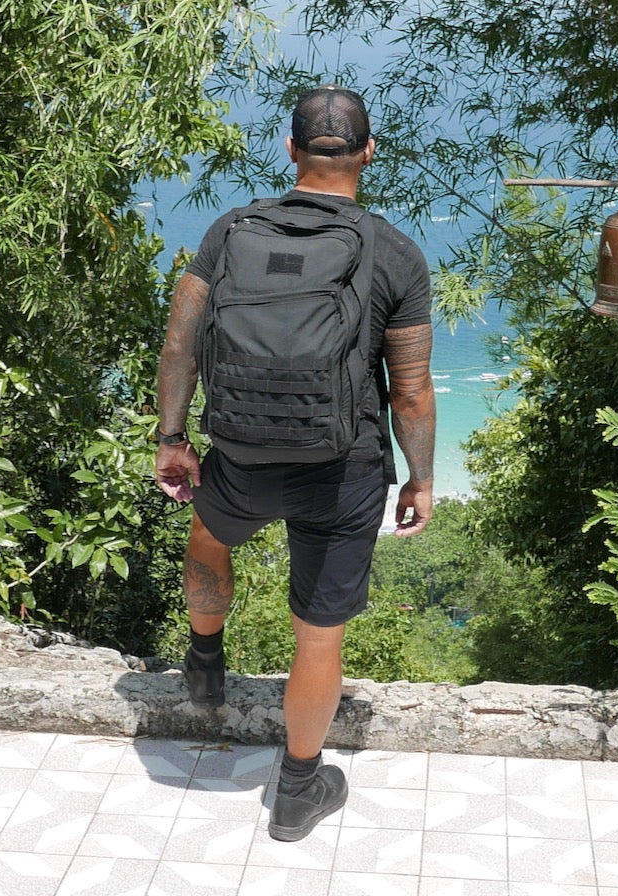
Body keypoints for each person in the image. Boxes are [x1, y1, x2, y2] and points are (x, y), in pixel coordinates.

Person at [153, 85, 435, 842]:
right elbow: (409, 392)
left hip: (241, 454)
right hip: (342, 470)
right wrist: (422, 478)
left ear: (290, 150)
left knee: (210, 536)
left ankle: (205, 660)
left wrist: (172, 439)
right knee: (318, 637)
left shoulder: (229, 232)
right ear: (368, 153)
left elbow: (179, 344)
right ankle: (298, 791)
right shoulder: (394, 253)